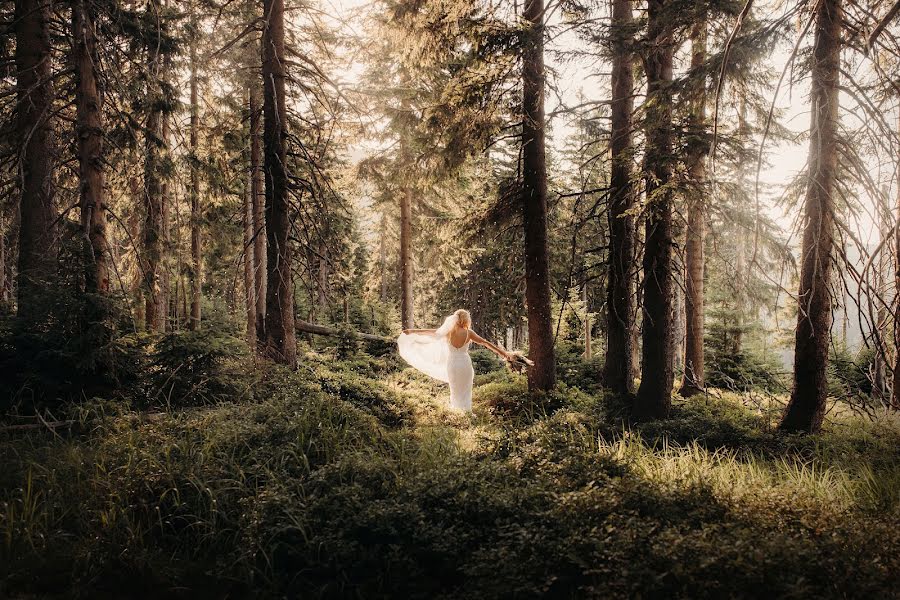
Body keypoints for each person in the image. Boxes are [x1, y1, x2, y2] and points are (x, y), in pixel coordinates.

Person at [397, 309, 512, 411]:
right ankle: (466, 412)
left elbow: (431, 332)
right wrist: (503, 353)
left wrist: (412, 331)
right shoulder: (469, 333)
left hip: (452, 364)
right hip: (464, 363)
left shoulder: (448, 332)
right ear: (466, 320)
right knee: (466, 389)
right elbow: (485, 343)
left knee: (454, 389)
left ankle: (456, 412)